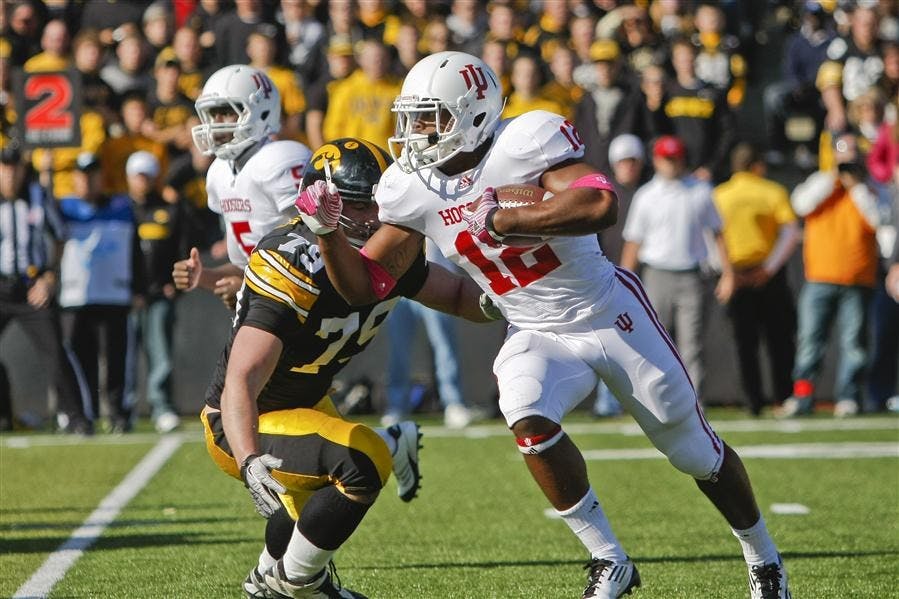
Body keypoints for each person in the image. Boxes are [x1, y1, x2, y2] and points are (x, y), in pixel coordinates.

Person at [299, 51, 790, 599]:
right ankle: (609, 561)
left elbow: (601, 203)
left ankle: (763, 558)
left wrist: (511, 219)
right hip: (532, 327)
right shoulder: (411, 188)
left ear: (475, 113)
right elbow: (368, 284)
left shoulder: (526, 140)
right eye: (410, 118)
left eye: (430, 117)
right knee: (523, 409)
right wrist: (325, 231)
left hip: (606, 312)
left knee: (693, 451)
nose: (415, 133)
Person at [201, 137, 493, 598]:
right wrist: (249, 456)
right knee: (362, 460)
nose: (374, 217)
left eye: (379, 203)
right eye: (357, 206)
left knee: (305, 518)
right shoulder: (293, 259)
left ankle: (269, 578)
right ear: (321, 202)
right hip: (245, 417)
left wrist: (510, 297)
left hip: (309, 403)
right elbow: (242, 378)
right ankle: (298, 584)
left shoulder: (390, 247)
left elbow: (457, 296)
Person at [173, 64, 312, 309]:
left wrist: (253, 287)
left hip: (302, 307)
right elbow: (244, 267)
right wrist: (203, 276)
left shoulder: (280, 159)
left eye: (227, 112)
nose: (216, 123)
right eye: (212, 114)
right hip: (268, 303)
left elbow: (319, 251)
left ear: (262, 112)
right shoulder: (219, 172)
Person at [621, 135, 735, 403]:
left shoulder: (700, 191)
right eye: (666, 159)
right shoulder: (646, 195)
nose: (672, 164)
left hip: (690, 275)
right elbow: (633, 243)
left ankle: (694, 405)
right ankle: (654, 402)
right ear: (657, 160)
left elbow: (717, 234)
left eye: (676, 158)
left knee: (691, 345)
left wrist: (728, 273)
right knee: (653, 343)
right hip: (656, 274)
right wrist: (624, 282)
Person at [781, 133, 881, 418]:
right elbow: (800, 205)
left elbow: (878, 219)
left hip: (858, 278)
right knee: (810, 342)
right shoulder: (821, 182)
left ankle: (849, 397)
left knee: (855, 345)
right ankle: (802, 397)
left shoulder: (869, 188)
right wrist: (833, 177)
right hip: (820, 276)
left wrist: (857, 186)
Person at [0, 147, 91, 435]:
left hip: (32, 287)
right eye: (4, 169)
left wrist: (50, 277)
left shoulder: (38, 197)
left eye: (15, 168)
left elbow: (60, 236)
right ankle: (3, 415)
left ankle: (76, 417)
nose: (10, 175)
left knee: (54, 352)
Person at [58, 152, 145, 433]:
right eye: (83, 175)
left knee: (117, 359)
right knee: (80, 360)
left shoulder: (122, 207)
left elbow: (135, 250)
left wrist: (138, 287)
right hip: (75, 298)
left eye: (93, 175)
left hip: (114, 296)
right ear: (74, 179)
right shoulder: (63, 209)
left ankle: (119, 413)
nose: (88, 181)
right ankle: (85, 413)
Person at [713, 143, 800, 416]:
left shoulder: (719, 194)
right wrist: (769, 269)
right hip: (768, 272)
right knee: (779, 339)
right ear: (758, 165)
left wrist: (726, 272)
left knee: (744, 342)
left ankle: (753, 401)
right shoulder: (772, 191)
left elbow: (709, 237)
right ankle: (782, 397)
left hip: (735, 273)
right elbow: (791, 233)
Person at [382, 240, 480, 429]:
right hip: (399, 288)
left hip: (438, 284)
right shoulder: (392, 211)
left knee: (444, 347)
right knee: (398, 350)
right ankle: (396, 406)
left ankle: (453, 404)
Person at [125, 151, 187, 433]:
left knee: (161, 353)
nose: (142, 181)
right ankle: (124, 409)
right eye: (138, 176)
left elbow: (181, 251)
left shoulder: (169, 210)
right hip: (128, 296)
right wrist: (130, 288)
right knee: (125, 354)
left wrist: (174, 285)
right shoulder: (121, 210)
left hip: (160, 293)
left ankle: (161, 406)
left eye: (147, 175)